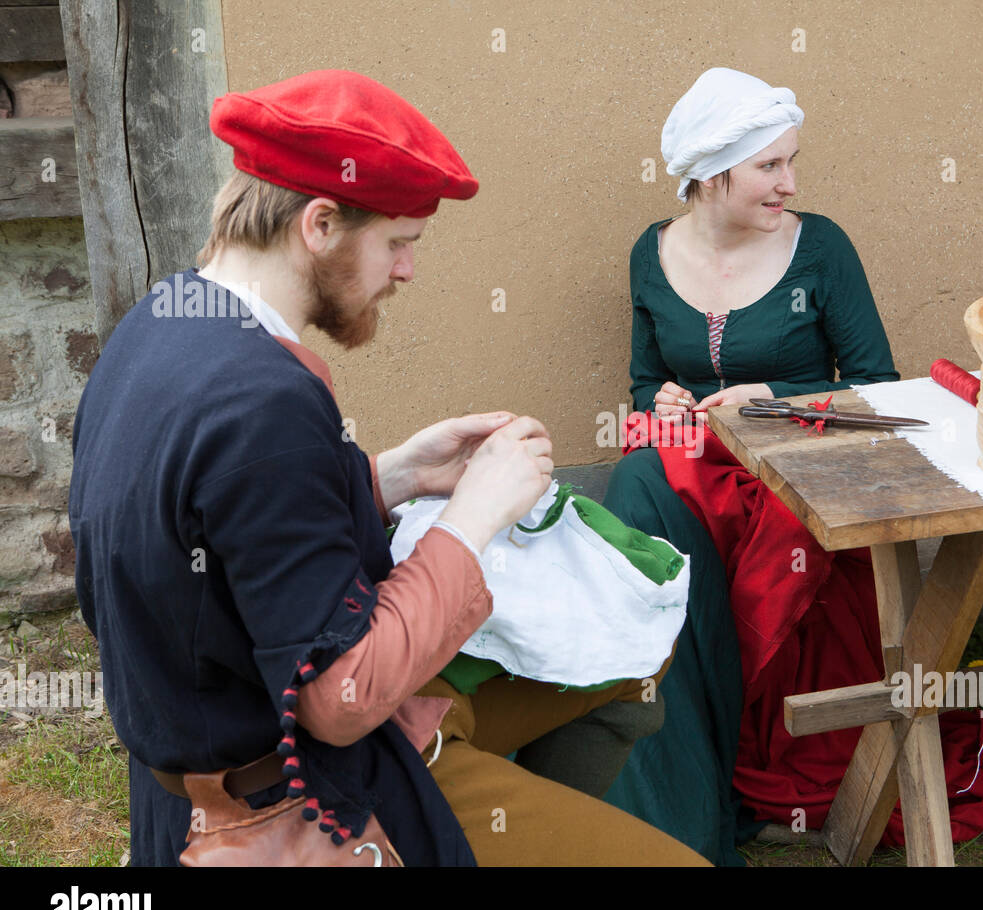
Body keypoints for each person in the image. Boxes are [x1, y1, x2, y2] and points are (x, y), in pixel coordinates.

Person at [68, 69, 706, 866]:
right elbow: (340, 700)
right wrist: (477, 516)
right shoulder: (263, 402)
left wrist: (394, 475)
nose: (408, 272)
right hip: (300, 800)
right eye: (399, 243)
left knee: (632, 655)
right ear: (321, 223)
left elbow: (220, 534)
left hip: (210, 764)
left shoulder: (161, 323)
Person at [595, 68, 902, 864]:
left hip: (794, 463)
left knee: (724, 535)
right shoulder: (650, 252)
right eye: (770, 167)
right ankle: (663, 784)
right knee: (636, 484)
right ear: (709, 173)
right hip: (693, 460)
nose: (789, 184)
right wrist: (661, 402)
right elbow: (640, 382)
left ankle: (720, 755)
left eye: (790, 163)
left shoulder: (820, 246)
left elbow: (878, 385)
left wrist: (773, 395)